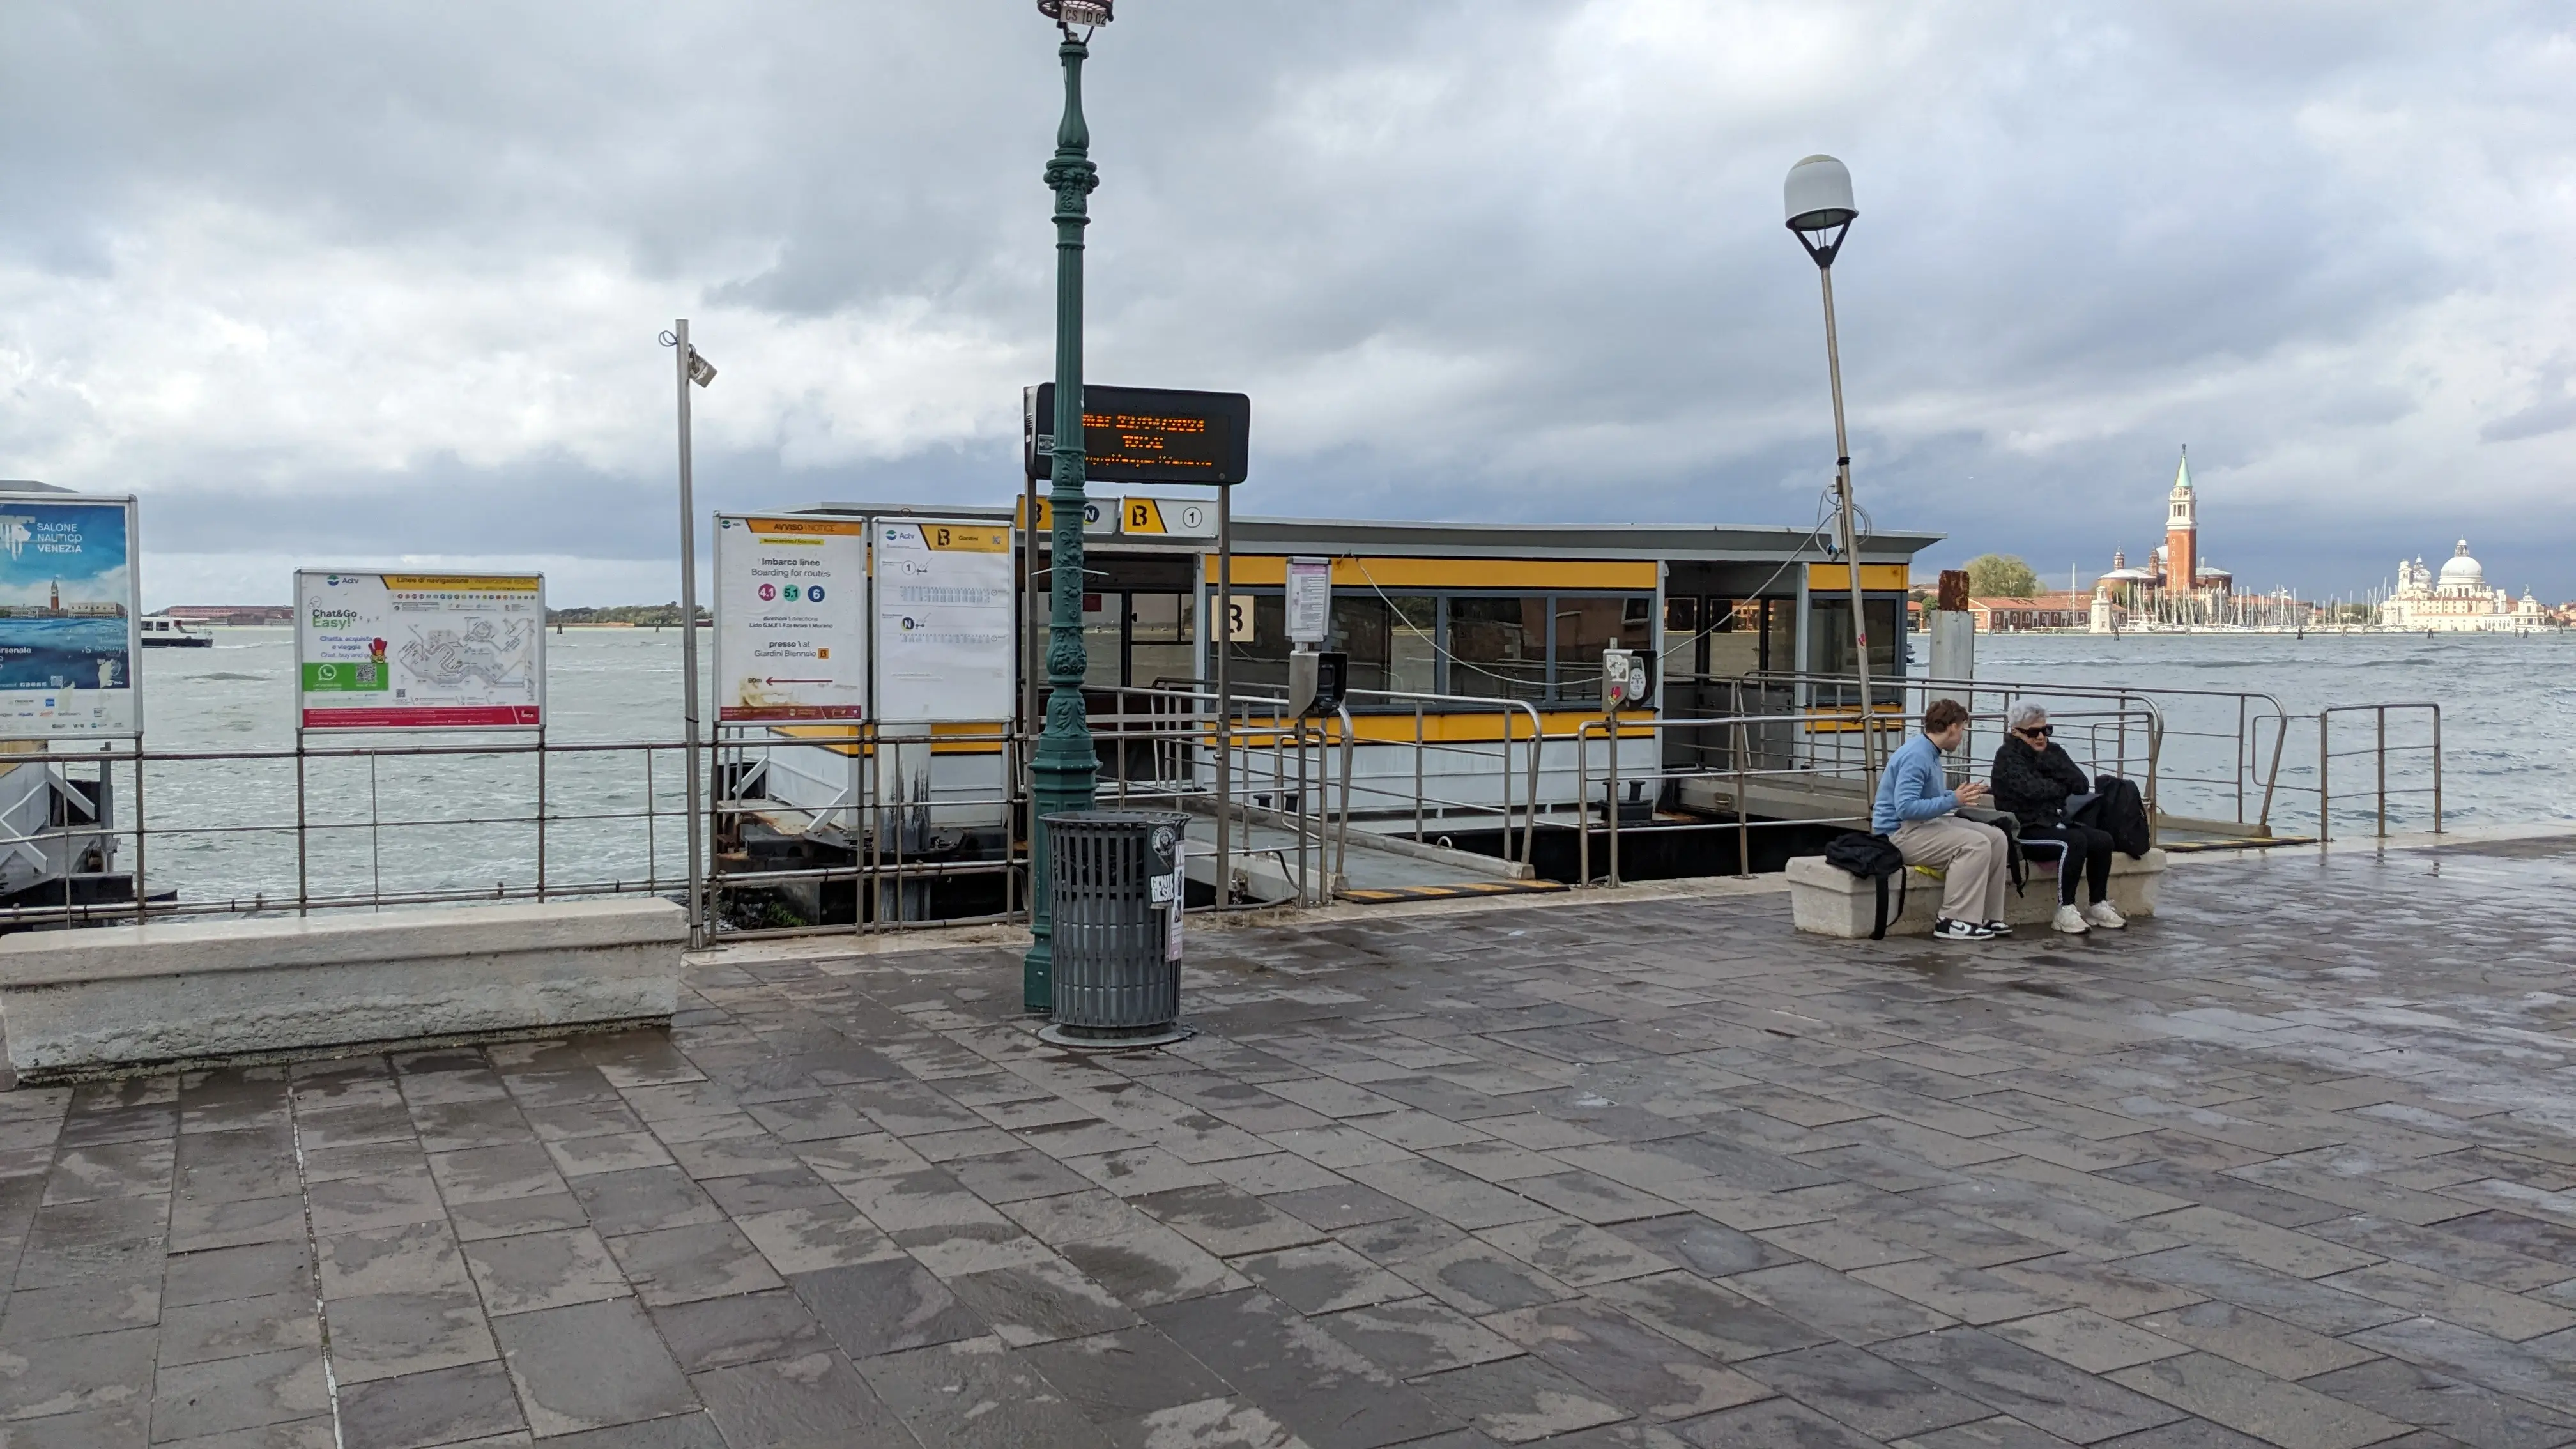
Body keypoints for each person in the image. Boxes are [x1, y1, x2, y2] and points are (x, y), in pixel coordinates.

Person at [1873, 698, 2009, 940]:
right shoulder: (1918, 756)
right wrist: (1952, 800)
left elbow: (1929, 797)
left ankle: (1988, 917)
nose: (1962, 737)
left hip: (1923, 825)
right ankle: (1953, 920)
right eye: (1963, 731)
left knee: (1997, 837)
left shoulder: (1929, 751)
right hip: (1897, 835)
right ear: (1953, 727)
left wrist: (1960, 795)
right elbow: (1905, 808)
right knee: (1974, 845)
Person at [1991, 704, 2126, 934]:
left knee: (2103, 840)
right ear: (2016, 732)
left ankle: (2097, 903)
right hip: (2023, 828)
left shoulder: (2053, 752)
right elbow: (2032, 790)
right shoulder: (2007, 758)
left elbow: (2081, 784)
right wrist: (2060, 784)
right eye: (2033, 732)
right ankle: (2065, 909)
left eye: (2046, 730)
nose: (2041, 737)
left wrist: (2049, 769)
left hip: (2053, 821)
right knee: (2073, 841)